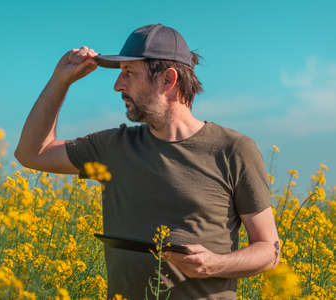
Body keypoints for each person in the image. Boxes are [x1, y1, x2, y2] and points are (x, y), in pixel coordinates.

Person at [15, 24, 280, 300]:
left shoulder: (233, 150)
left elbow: (269, 250)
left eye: (129, 73)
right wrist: (60, 80)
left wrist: (214, 264)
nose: (118, 86)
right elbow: (32, 153)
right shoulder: (112, 147)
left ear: (168, 80)